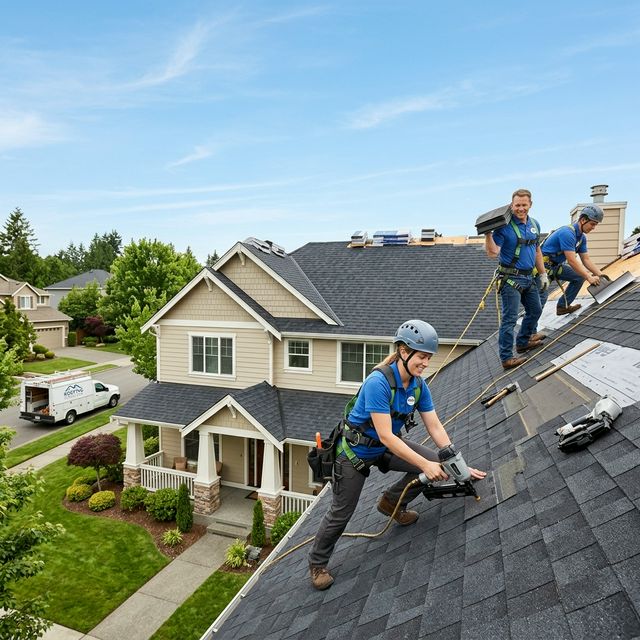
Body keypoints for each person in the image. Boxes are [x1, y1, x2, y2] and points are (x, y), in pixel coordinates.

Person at [308, 320, 486, 590]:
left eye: (429, 358)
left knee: (436, 464)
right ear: (404, 351)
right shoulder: (378, 383)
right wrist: (426, 464)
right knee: (342, 512)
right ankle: (317, 563)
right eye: (422, 357)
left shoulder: (417, 386)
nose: (426, 363)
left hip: (384, 449)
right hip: (354, 453)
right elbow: (386, 435)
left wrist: (457, 464)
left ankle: (391, 504)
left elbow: (435, 426)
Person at [484, 188, 549, 369]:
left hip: (529, 278)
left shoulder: (535, 224)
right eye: (517, 205)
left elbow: (537, 250)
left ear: (530, 205)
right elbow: (492, 252)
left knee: (535, 310)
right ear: (511, 206)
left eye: (524, 205)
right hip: (510, 280)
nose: (521, 209)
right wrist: (488, 234)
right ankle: (506, 358)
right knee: (509, 319)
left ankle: (522, 342)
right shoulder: (504, 228)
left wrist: (542, 274)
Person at [539, 204, 605, 315]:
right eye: (592, 224)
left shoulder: (581, 238)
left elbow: (586, 260)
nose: (593, 228)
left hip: (556, 266)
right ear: (583, 220)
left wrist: (602, 276)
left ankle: (563, 307)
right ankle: (530, 331)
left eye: (595, 225)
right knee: (540, 299)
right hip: (543, 268)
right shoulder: (567, 233)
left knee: (579, 277)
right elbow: (572, 261)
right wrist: (589, 277)